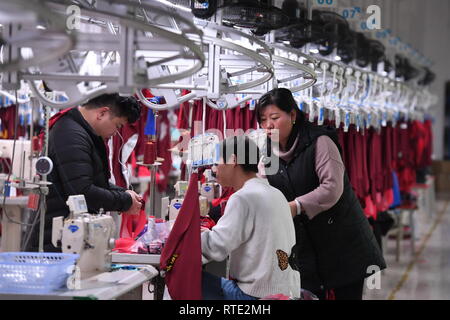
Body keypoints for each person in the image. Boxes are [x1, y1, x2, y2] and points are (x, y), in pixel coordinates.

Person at [255, 88, 386, 300]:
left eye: (274, 117)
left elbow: (332, 188)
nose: (268, 125)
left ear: (293, 115)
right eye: (263, 120)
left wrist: (295, 206)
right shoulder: (268, 151)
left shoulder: (320, 142)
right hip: (307, 246)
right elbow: (263, 186)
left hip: (343, 242)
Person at [27, 94, 143, 252]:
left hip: (67, 237)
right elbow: (82, 192)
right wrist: (125, 201)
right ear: (102, 113)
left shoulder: (80, 131)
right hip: (56, 244)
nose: (117, 132)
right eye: (117, 125)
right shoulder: (71, 135)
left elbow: (92, 180)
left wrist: (124, 193)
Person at [201, 135, 300, 300]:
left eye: (216, 163)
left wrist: (187, 237)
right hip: (286, 291)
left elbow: (216, 246)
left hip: (256, 295)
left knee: (188, 277)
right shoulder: (277, 194)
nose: (214, 169)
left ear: (233, 160)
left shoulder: (242, 198)